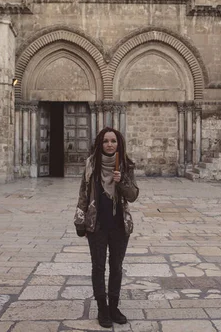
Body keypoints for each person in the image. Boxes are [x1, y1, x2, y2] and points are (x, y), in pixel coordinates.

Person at [74, 127, 139, 328]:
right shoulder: (91, 164)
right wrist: (80, 220)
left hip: (119, 225)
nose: (109, 144)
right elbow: (83, 193)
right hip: (97, 224)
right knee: (98, 266)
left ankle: (114, 308)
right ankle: (102, 308)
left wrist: (122, 182)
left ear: (118, 143)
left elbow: (133, 195)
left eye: (113, 141)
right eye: (105, 141)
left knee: (116, 267)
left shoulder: (126, 165)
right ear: (100, 143)